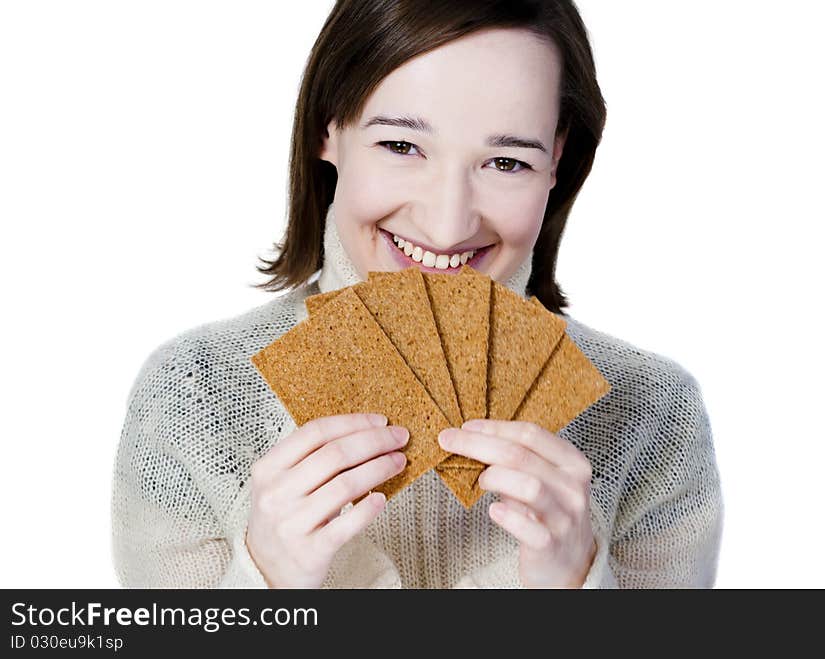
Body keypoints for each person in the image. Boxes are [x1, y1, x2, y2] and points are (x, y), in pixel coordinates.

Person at [111, 0, 723, 589]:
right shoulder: (193, 394)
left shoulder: (651, 411)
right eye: (402, 146)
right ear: (330, 128)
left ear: (558, 157)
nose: (447, 224)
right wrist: (263, 582)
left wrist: (574, 586)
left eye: (506, 161)